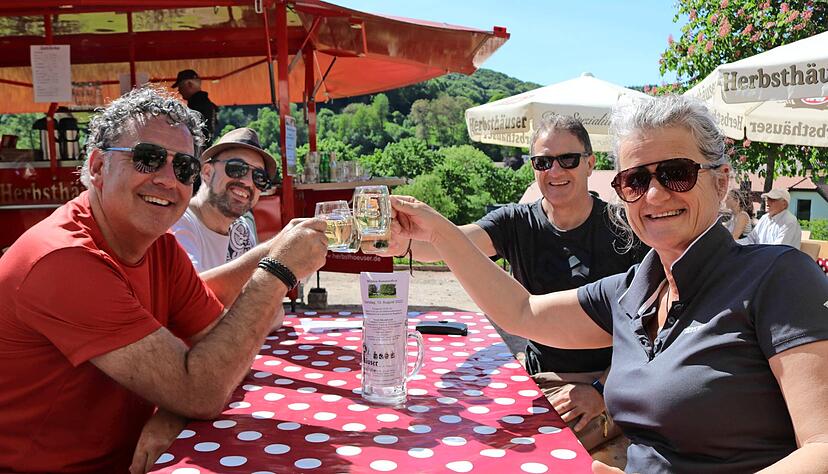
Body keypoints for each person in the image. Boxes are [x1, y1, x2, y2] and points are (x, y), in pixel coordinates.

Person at [389, 95, 828, 473]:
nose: (654, 195)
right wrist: (437, 231)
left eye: (676, 172)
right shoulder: (635, 288)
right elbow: (522, 313)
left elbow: (822, 449)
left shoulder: (777, 276)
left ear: (721, 180)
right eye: (636, 180)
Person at [0, 87, 328, 473]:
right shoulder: (64, 259)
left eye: (183, 167)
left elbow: (225, 352)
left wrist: (176, 409)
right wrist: (277, 273)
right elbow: (204, 387)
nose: (168, 180)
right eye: (148, 159)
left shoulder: (161, 247)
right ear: (98, 167)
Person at [388, 115, 646, 456]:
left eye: (567, 159)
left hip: (612, 383)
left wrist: (601, 388)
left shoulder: (624, 227)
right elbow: (446, 245)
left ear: (590, 163)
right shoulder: (517, 222)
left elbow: (649, 329)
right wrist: (399, 239)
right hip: (544, 380)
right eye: (542, 162)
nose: (555, 171)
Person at [171, 127, 277, 272]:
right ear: (207, 172)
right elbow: (196, 291)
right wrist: (278, 249)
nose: (247, 182)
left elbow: (254, 287)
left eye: (259, 177)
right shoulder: (177, 222)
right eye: (237, 168)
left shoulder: (241, 230)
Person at [173, 69, 218, 143]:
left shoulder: (197, 105)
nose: (179, 91)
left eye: (180, 86)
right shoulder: (208, 104)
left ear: (189, 84)